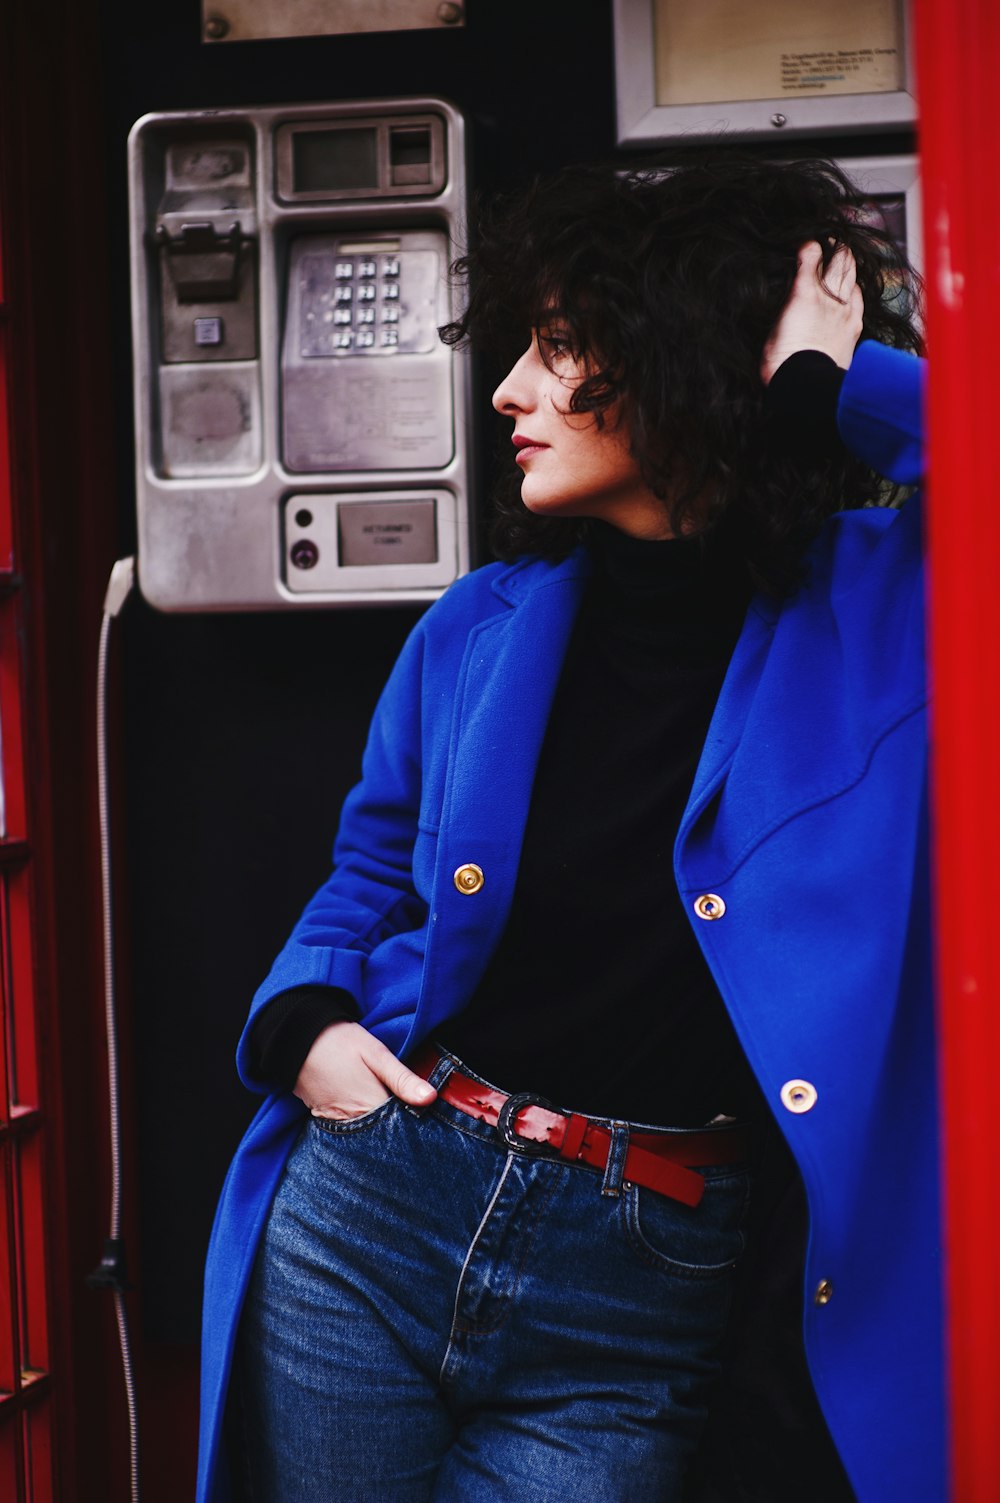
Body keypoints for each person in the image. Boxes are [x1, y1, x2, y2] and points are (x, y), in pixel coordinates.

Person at [196, 156, 940, 1503]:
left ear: (679, 358)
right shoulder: (478, 623)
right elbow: (370, 867)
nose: (508, 395)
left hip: (642, 1281)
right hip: (384, 1201)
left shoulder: (885, 617)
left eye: (557, 349)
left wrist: (825, 384)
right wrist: (301, 1024)